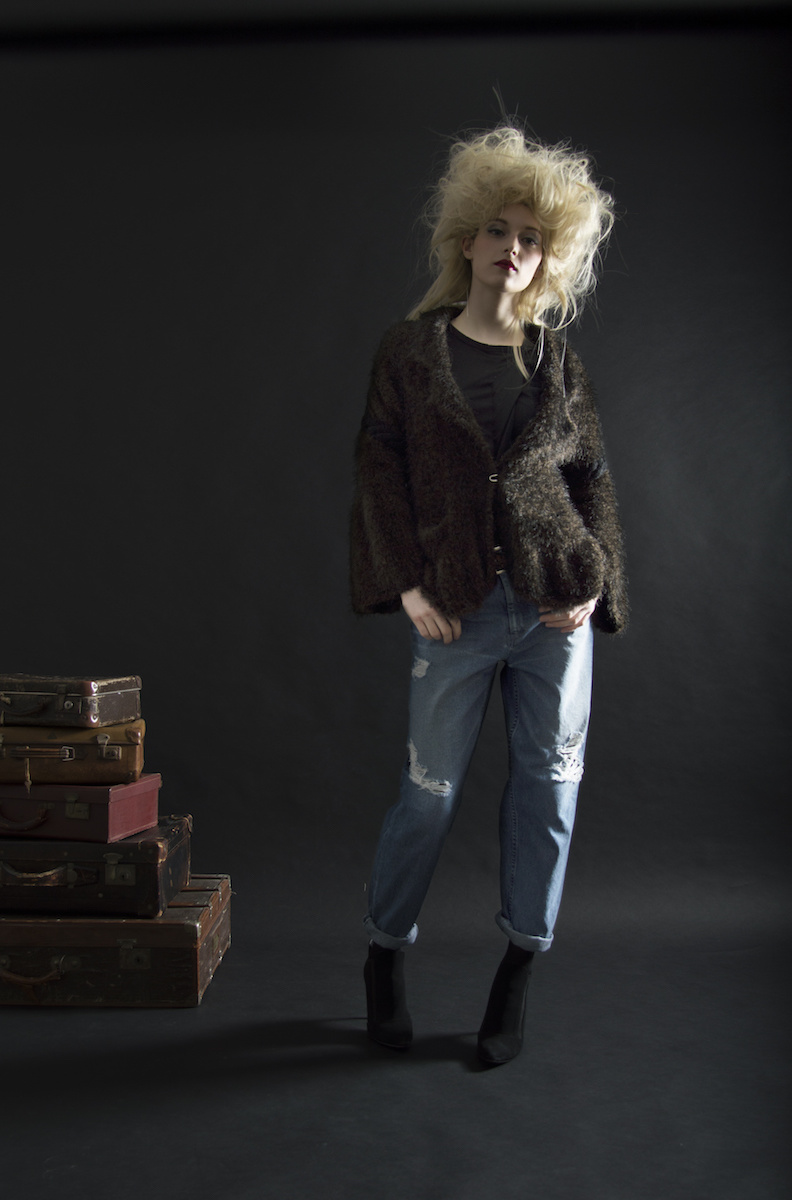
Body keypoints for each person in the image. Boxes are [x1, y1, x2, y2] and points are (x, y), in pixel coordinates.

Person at [349, 125, 627, 1065]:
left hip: (553, 614)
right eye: (499, 230)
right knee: (428, 795)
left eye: (532, 238)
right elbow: (379, 470)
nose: (513, 248)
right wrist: (406, 584)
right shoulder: (410, 352)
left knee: (549, 793)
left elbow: (592, 481)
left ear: (549, 258)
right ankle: (384, 954)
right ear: (467, 240)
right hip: (457, 610)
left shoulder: (559, 363)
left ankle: (518, 970)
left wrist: (595, 583)